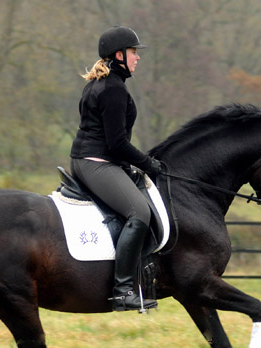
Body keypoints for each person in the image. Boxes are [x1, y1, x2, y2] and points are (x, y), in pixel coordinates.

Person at [69, 26, 161, 311]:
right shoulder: (113, 89)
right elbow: (118, 143)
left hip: (88, 160)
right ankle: (122, 291)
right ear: (119, 55)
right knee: (140, 212)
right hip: (96, 164)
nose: (137, 58)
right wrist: (149, 164)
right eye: (134, 52)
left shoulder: (101, 84)